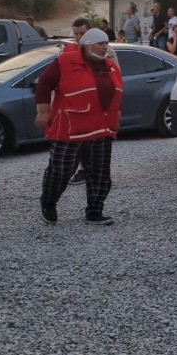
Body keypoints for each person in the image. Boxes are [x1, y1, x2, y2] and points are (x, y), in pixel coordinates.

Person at [36, 28, 121, 226]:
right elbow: (44, 83)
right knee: (61, 169)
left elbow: (117, 94)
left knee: (100, 173)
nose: (105, 47)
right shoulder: (66, 61)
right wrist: (43, 111)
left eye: (106, 43)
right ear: (87, 45)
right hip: (70, 128)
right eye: (100, 43)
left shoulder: (110, 66)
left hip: (101, 128)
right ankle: (48, 202)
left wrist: (117, 117)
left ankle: (95, 211)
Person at [67, 17, 118, 187]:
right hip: (79, 103)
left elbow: (115, 75)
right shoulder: (71, 51)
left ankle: (95, 173)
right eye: (76, 34)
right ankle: (84, 169)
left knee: (98, 140)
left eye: (82, 33)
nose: (78, 37)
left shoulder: (106, 51)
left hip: (99, 102)